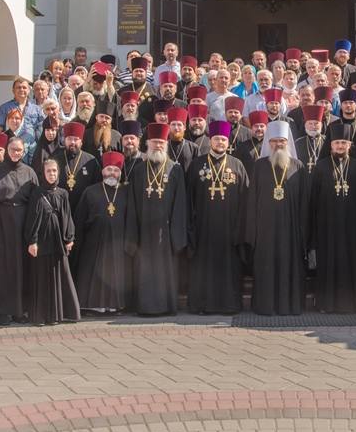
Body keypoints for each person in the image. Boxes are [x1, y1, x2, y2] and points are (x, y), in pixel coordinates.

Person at [244, 120, 309, 315]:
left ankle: (289, 306)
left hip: (291, 231)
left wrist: (303, 233)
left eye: (282, 141)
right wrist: (252, 233)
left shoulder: (298, 166)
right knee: (266, 266)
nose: (278, 144)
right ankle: (265, 306)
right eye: (274, 141)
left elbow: (304, 203)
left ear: (287, 142)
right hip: (265, 231)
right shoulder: (259, 166)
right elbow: (252, 201)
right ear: (268, 143)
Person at [186, 121, 249, 314]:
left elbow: (246, 198)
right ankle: (203, 305)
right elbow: (189, 198)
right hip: (204, 227)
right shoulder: (197, 164)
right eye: (216, 139)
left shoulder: (237, 165)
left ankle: (229, 305)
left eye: (223, 139)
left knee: (229, 268)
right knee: (204, 268)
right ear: (210, 140)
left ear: (228, 142)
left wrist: (241, 227)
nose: (220, 142)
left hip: (230, 229)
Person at [126, 123, 188, 315]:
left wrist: (177, 236)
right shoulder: (138, 170)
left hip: (166, 232)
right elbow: (132, 204)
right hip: (144, 232)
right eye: (155, 142)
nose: (158, 146)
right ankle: (145, 307)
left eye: (161, 142)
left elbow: (180, 205)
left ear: (166, 144)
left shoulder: (175, 170)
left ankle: (166, 307)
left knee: (166, 270)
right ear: (147, 144)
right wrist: (132, 235)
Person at [309, 135, 356, 313]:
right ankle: (326, 305)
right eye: (337, 143)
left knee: (351, 264)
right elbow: (313, 200)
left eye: (344, 143)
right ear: (331, 146)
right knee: (328, 263)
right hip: (326, 227)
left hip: (352, 227)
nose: (340, 146)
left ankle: (352, 305)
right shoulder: (321, 167)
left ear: (349, 145)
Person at [0, 136, 37, 325]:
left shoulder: (30, 172)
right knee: (3, 269)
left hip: (23, 223)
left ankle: (19, 310)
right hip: (2, 222)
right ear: (7, 150)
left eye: (19, 150)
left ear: (23, 151)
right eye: (13, 149)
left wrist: (34, 235)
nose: (16, 153)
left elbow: (36, 203)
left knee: (22, 268)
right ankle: (3, 311)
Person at [23, 159, 80, 325]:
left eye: (54, 171)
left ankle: (57, 315)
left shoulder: (63, 193)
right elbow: (32, 219)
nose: (52, 174)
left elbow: (67, 216)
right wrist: (32, 241)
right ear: (43, 173)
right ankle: (41, 316)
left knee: (60, 276)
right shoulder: (37, 193)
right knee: (41, 277)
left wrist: (69, 238)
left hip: (58, 241)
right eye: (48, 171)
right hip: (42, 241)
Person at [74, 152, 132, 313]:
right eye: (109, 169)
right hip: (94, 241)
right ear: (102, 171)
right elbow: (79, 219)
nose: (112, 173)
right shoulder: (90, 191)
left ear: (120, 173)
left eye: (115, 170)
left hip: (118, 242)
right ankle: (92, 305)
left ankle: (115, 306)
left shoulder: (126, 191)